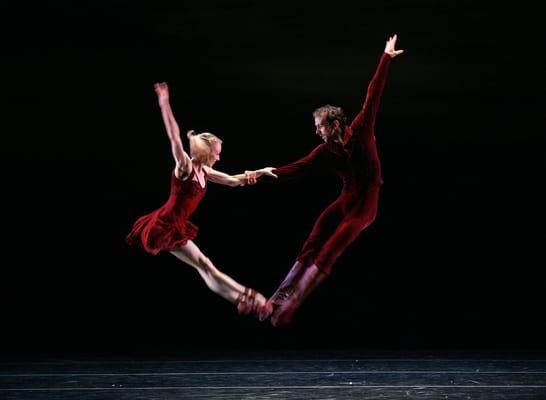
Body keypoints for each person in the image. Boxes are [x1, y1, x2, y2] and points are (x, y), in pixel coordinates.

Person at [260, 35, 404, 326]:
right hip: (346, 199)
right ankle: (280, 295)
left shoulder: (362, 128)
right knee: (316, 235)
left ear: (334, 124)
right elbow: (297, 168)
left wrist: (386, 57)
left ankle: (295, 302)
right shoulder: (325, 151)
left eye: (319, 127)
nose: (317, 133)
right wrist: (261, 173)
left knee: (331, 248)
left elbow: (373, 93)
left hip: (366, 204)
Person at [126, 82, 276, 317]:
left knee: (205, 267)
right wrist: (164, 102)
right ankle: (253, 297)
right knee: (206, 266)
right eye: (217, 153)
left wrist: (261, 172)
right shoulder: (185, 168)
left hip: (175, 226)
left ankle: (241, 299)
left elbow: (233, 180)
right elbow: (174, 138)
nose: (219, 157)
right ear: (207, 152)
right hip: (163, 226)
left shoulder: (205, 172)